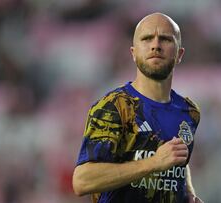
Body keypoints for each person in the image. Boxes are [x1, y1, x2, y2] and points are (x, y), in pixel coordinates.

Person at [72, 12, 203, 203]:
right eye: (147, 38)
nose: (156, 45)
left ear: (179, 54)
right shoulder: (114, 107)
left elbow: (176, 160)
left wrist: (189, 194)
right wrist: (154, 163)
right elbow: (82, 181)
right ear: (133, 53)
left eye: (165, 39)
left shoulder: (188, 111)